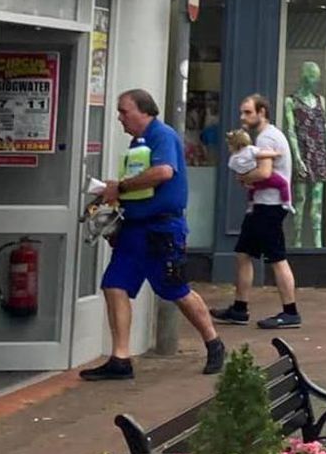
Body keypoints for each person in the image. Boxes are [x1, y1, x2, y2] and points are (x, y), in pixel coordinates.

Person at [83, 89, 227, 381]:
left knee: (175, 290)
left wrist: (120, 187)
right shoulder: (138, 142)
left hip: (161, 229)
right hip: (134, 229)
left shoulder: (162, 135)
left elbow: (163, 172)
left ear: (144, 111)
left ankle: (214, 342)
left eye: (124, 111)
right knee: (114, 285)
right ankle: (120, 358)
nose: (119, 118)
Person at [212, 94, 303, 330]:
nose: (243, 117)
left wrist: (242, 177)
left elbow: (263, 173)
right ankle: (239, 309)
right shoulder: (266, 136)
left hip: (269, 207)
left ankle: (290, 312)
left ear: (262, 112)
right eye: (243, 112)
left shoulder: (267, 138)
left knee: (277, 257)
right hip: (261, 205)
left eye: (248, 112)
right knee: (243, 253)